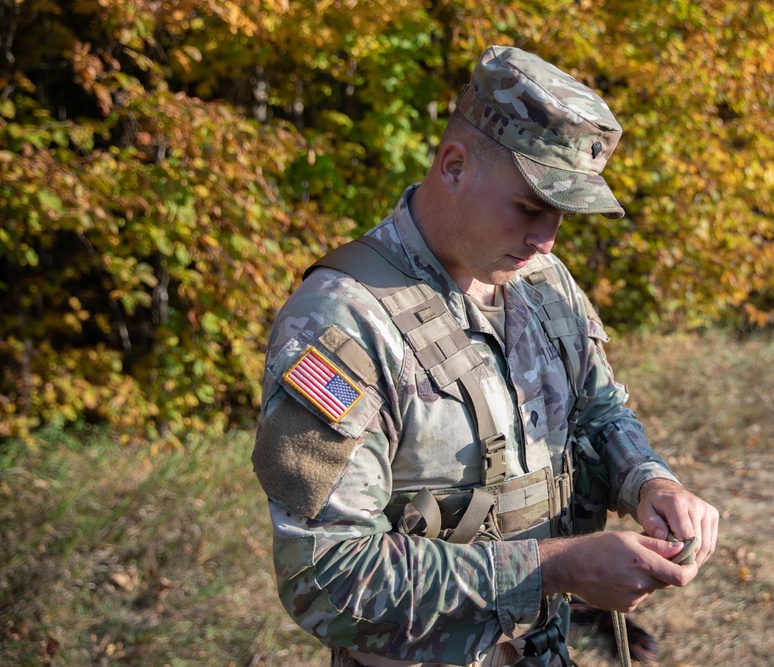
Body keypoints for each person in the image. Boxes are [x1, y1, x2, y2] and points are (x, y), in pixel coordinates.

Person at [252, 44, 719, 667]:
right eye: (529, 207)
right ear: (453, 165)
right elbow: (325, 577)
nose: (545, 238)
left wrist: (648, 480)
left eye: (560, 216)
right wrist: (556, 569)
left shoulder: (543, 282)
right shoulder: (343, 322)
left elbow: (599, 411)